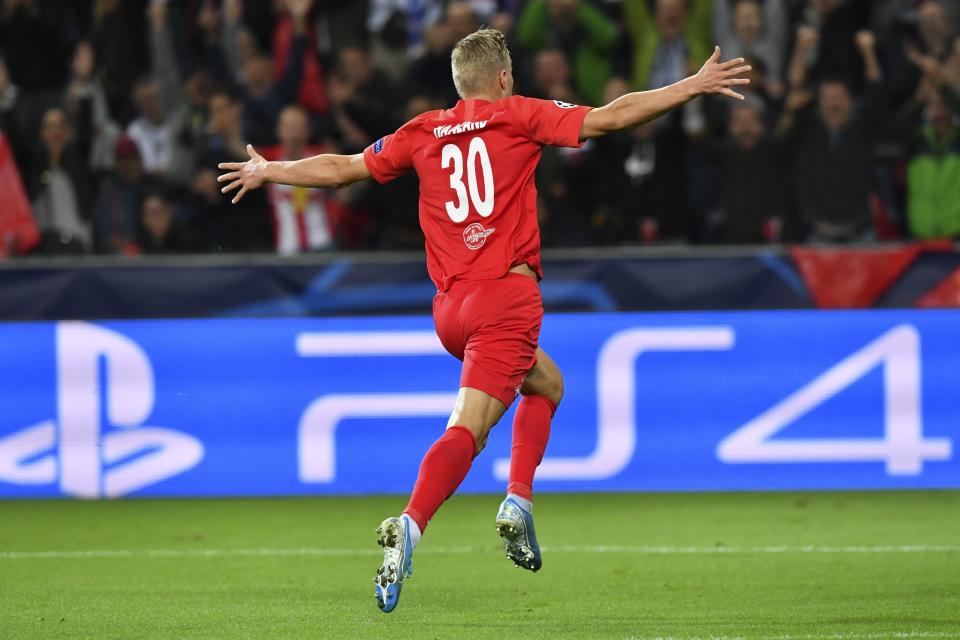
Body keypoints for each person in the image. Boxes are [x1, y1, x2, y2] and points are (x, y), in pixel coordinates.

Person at [217, 28, 749, 613]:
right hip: (505, 299)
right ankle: (411, 526)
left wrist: (273, 170)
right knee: (469, 429)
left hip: (450, 312)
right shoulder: (519, 115)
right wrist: (692, 86)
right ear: (501, 78)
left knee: (547, 383)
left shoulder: (420, 131)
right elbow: (611, 117)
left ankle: (518, 500)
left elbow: (344, 167)